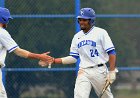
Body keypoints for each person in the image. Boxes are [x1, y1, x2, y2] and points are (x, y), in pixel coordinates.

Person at [39, 8, 117, 98]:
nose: (81, 22)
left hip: (99, 71)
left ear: (91, 20)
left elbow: (111, 52)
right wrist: (54, 60)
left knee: (106, 97)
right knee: (79, 96)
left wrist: (112, 71)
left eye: (84, 20)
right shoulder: (77, 37)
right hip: (84, 71)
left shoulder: (101, 33)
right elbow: (73, 58)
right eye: (79, 19)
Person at [0, 7, 53, 98]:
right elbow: (18, 51)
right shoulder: (2, 32)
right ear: (3, 19)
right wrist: (39, 56)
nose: (7, 22)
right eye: (7, 19)